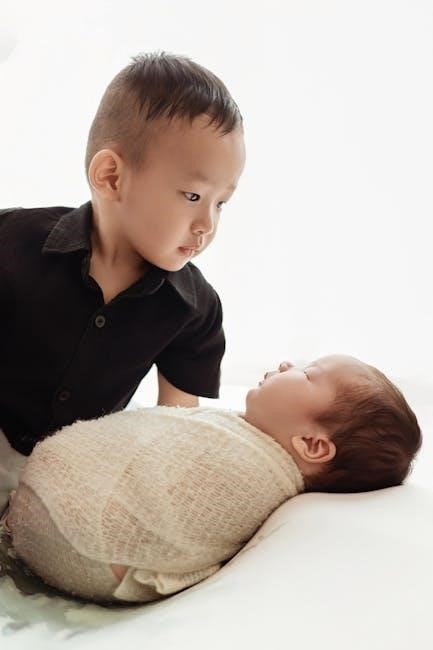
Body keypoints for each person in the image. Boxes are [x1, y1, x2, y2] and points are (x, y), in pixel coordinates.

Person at [0, 51, 246, 511]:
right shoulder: (12, 241)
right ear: (111, 177)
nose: (207, 225)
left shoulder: (194, 308)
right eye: (193, 195)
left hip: (69, 478)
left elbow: (173, 431)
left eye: (220, 203)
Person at [1, 354, 422, 605]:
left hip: (85, 546)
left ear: (312, 444)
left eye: (309, 373)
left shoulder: (250, 468)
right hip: (78, 545)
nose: (285, 364)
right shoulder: (241, 437)